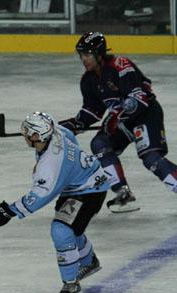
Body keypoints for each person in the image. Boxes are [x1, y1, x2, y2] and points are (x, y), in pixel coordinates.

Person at [0, 112, 110, 293]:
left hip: (89, 190)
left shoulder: (51, 165)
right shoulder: (55, 131)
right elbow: (68, 133)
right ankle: (89, 261)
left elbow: (40, 196)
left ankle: (70, 282)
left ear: (37, 136)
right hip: (82, 183)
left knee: (61, 230)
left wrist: (8, 211)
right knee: (72, 226)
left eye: (28, 132)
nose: (24, 135)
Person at [59, 32, 177, 213]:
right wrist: (75, 124)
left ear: (99, 54)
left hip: (145, 114)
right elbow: (93, 110)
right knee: (99, 143)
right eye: (81, 55)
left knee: (151, 158)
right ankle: (122, 191)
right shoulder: (88, 80)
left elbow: (138, 98)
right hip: (122, 122)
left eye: (88, 54)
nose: (84, 59)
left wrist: (116, 117)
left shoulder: (120, 65)